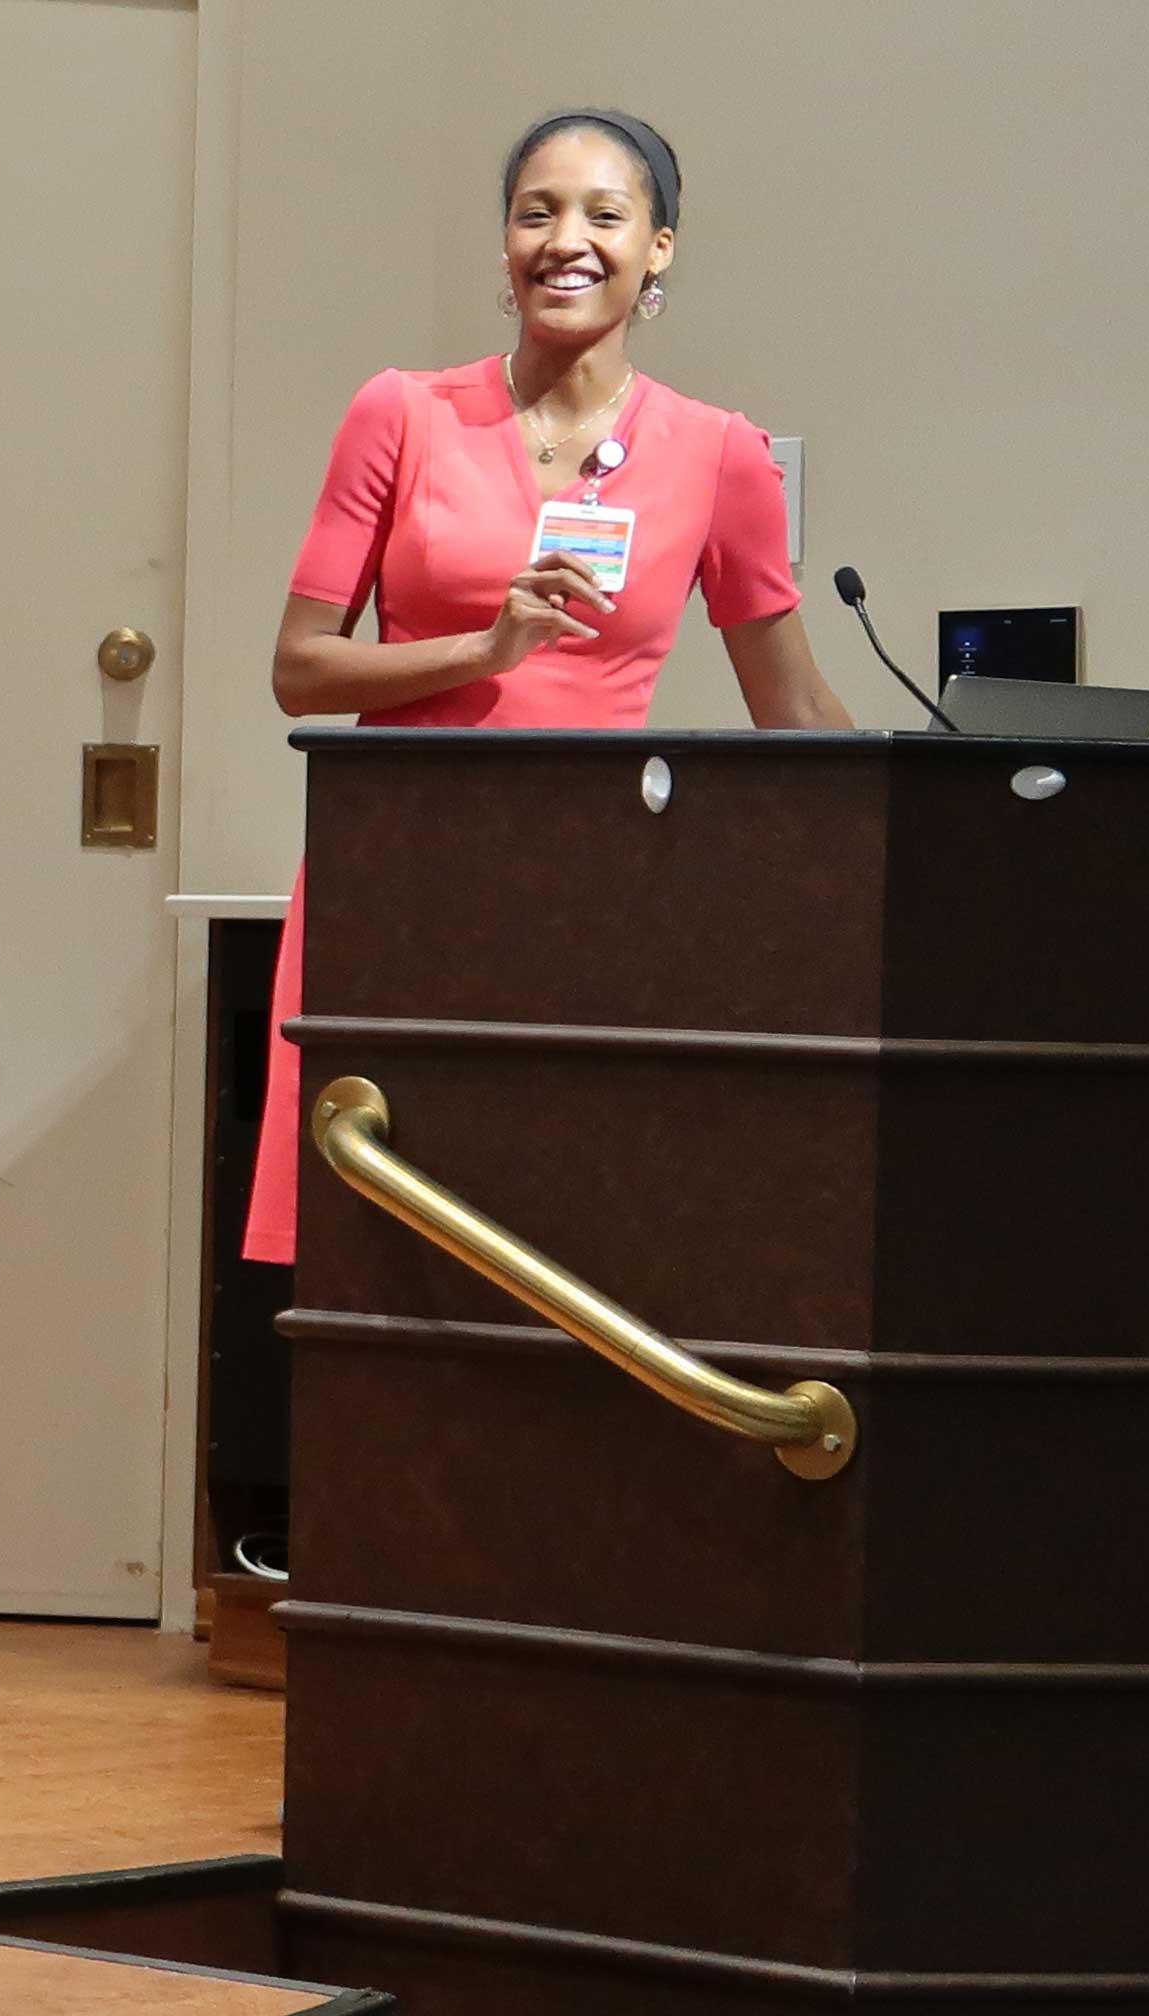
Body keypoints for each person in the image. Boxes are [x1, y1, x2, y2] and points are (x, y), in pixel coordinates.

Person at [244, 109, 854, 1270]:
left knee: (553, 1235)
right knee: (373, 1238)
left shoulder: (723, 453)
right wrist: (483, 651)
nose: (565, 240)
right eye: (537, 211)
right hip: (399, 870)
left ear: (659, 248)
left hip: (590, 886)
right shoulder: (403, 413)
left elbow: (796, 713)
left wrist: (916, 804)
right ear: (506, 240)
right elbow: (298, 670)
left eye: (604, 215)